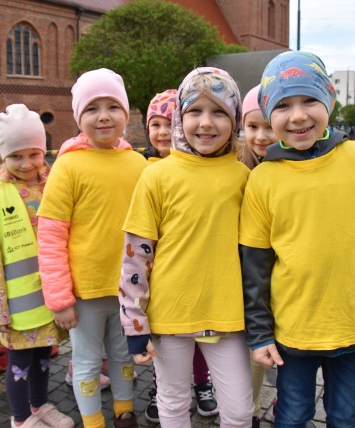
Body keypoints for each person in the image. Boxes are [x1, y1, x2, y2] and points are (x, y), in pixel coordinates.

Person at [239, 51, 355, 427]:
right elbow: (254, 265)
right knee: (293, 413)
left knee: (347, 414)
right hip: (294, 330)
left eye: (309, 100)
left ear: (329, 101)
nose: (298, 115)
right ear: (269, 115)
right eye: (283, 105)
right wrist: (259, 333)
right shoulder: (263, 180)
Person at [119, 67, 254, 427]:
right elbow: (136, 254)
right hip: (170, 315)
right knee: (173, 403)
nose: (205, 123)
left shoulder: (244, 176)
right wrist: (135, 323)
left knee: (240, 411)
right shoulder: (157, 175)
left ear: (235, 119)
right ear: (180, 116)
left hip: (228, 316)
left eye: (219, 112)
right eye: (195, 110)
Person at [37, 68, 146, 428]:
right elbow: (51, 237)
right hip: (83, 293)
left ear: (126, 114)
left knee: (123, 355)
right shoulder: (67, 166)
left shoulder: (138, 164)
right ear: (78, 116)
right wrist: (59, 298)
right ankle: (93, 421)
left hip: (127, 290)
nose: (103, 116)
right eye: (92, 108)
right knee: (85, 362)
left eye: (112, 106)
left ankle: (124, 411)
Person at [0, 104, 73, 428]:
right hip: (17, 303)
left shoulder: (54, 184)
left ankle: (39, 405)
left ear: (43, 151)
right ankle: (20, 418)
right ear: (4, 157)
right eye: (16, 156)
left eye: (33, 154)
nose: (26, 164)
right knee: (19, 362)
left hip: (50, 295)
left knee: (44, 357)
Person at [140, 89, 219, 423]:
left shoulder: (200, 166)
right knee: (166, 345)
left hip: (196, 271)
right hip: (158, 271)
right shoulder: (144, 167)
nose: (161, 131)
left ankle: (202, 384)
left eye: (167, 123)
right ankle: (164, 390)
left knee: (201, 341)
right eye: (154, 124)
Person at [237, 83, 279, 427]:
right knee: (253, 350)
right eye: (253, 127)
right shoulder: (237, 166)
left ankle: (284, 402)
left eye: (269, 126)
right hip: (247, 276)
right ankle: (249, 411)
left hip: (284, 275)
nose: (262, 136)